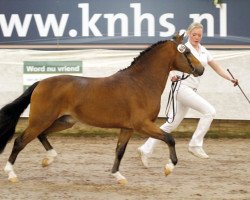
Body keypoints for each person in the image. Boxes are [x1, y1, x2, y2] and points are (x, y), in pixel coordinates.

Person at [137, 22, 238, 167]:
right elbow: (170, 62)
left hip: (191, 90)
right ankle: (195, 145)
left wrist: (230, 79)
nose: (197, 37)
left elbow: (217, 68)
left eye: (199, 35)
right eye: (194, 34)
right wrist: (172, 74)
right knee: (210, 111)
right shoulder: (183, 49)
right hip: (182, 88)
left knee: (171, 125)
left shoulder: (204, 51)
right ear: (189, 34)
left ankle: (145, 149)